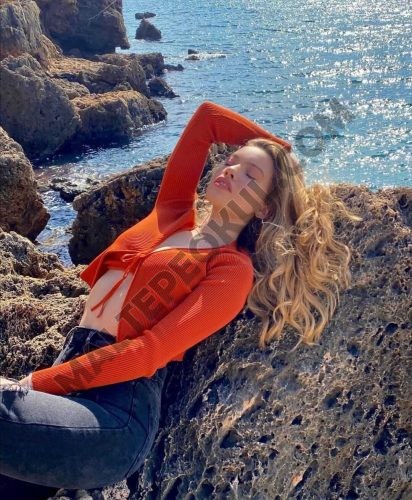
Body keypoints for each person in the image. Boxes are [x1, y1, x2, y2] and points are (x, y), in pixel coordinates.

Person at [0, 101, 360, 497]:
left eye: (250, 175)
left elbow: (148, 352)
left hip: (114, 415)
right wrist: (277, 148)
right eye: (232, 161)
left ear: (263, 207)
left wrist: (34, 383)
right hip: (69, 374)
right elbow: (207, 119)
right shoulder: (171, 213)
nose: (230, 170)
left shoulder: (231, 270)